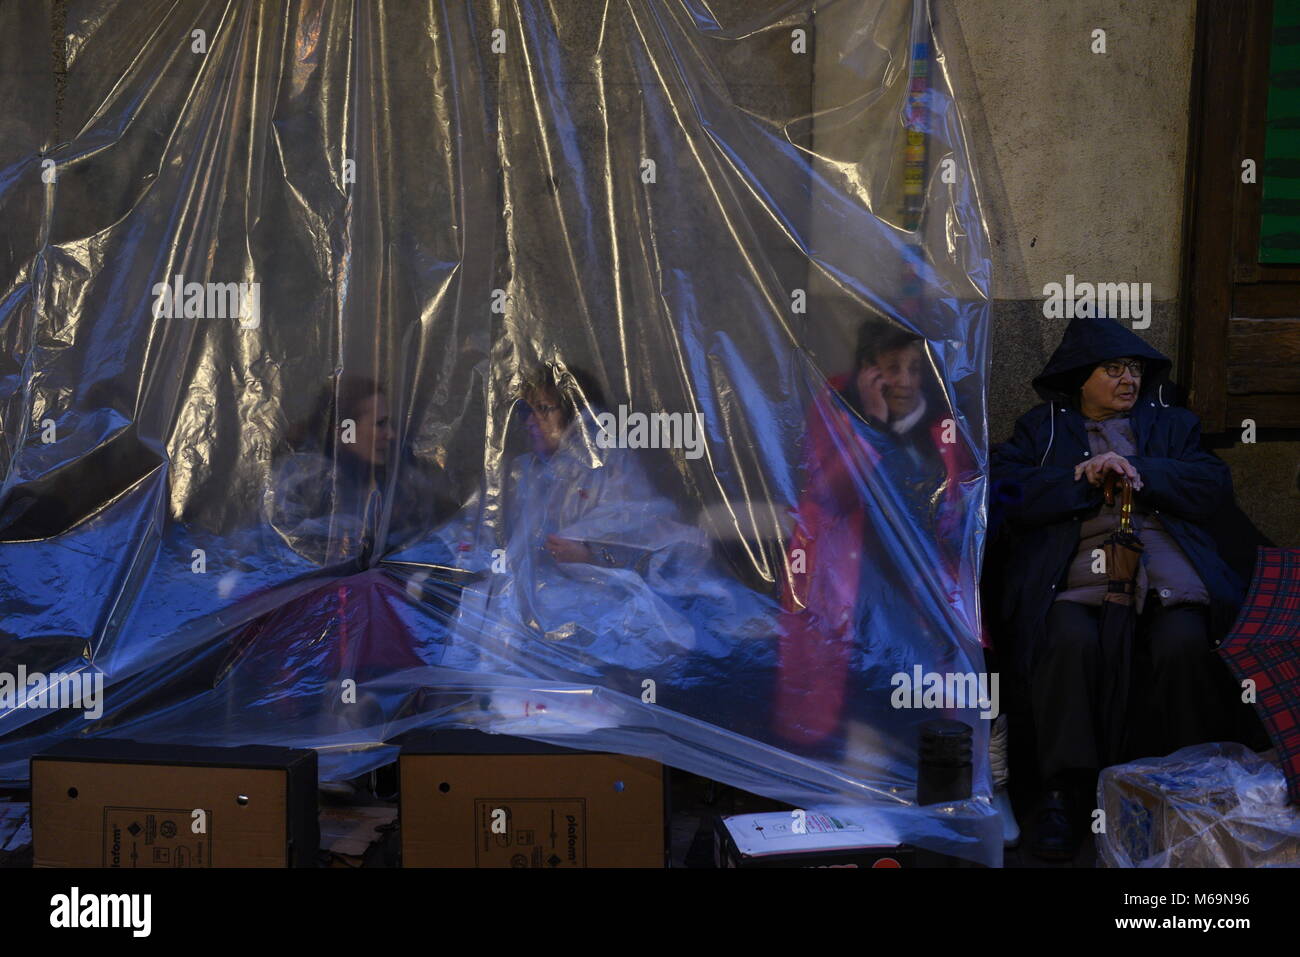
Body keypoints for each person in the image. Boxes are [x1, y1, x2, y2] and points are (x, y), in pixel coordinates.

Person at [990, 315, 1247, 860]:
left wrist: (1140, 468)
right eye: (1113, 369)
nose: (1128, 380)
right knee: (1065, 640)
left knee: (1183, 644)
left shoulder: (1173, 426)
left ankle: (1185, 788)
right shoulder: (1044, 430)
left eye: (1133, 369)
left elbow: (1211, 485)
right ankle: (1066, 792)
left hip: (1165, 572)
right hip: (1080, 572)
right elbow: (1004, 491)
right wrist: (1078, 478)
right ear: (1081, 378)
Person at [440, 364, 774, 731]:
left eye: (544, 409)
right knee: (494, 604)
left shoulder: (609, 463)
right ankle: (516, 707)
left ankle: (569, 711)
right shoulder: (522, 472)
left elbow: (646, 535)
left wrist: (590, 554)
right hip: (540, 585)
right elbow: (480, 531)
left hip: (599, 585)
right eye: (526, 411)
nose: (531, 421)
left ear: (574, 414)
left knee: (594, 621)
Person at [775, 320, 981, 765]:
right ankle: (849, 760)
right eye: (891, 368)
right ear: (867, 371)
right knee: (857, 649)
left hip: (923, 578)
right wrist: (872, 423)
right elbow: (828, 495)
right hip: (846, 570)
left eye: (913, 368)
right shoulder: (836, 410)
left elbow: (956, 516)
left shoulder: (942, 425)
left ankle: (929, 764)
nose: (904, 380)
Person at [266, 374, 458, 566]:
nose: (390, 434)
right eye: (380, 424)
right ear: (344, 430)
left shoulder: (393, 477)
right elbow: (282, 551)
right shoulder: (303, 480)